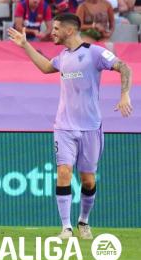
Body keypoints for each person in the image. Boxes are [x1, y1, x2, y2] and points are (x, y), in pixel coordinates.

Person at [8, 14, 132, 240]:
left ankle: (83, 221)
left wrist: (124, 95)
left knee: (88, 179)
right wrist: (25, 45)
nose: (52, 32)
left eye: (56, 28)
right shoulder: (63, 57)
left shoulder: (94, 53)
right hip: (64, 126)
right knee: (63, 172)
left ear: (69, 30)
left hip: (91, 127)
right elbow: (46, 67)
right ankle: (66, 228)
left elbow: (124, 67)